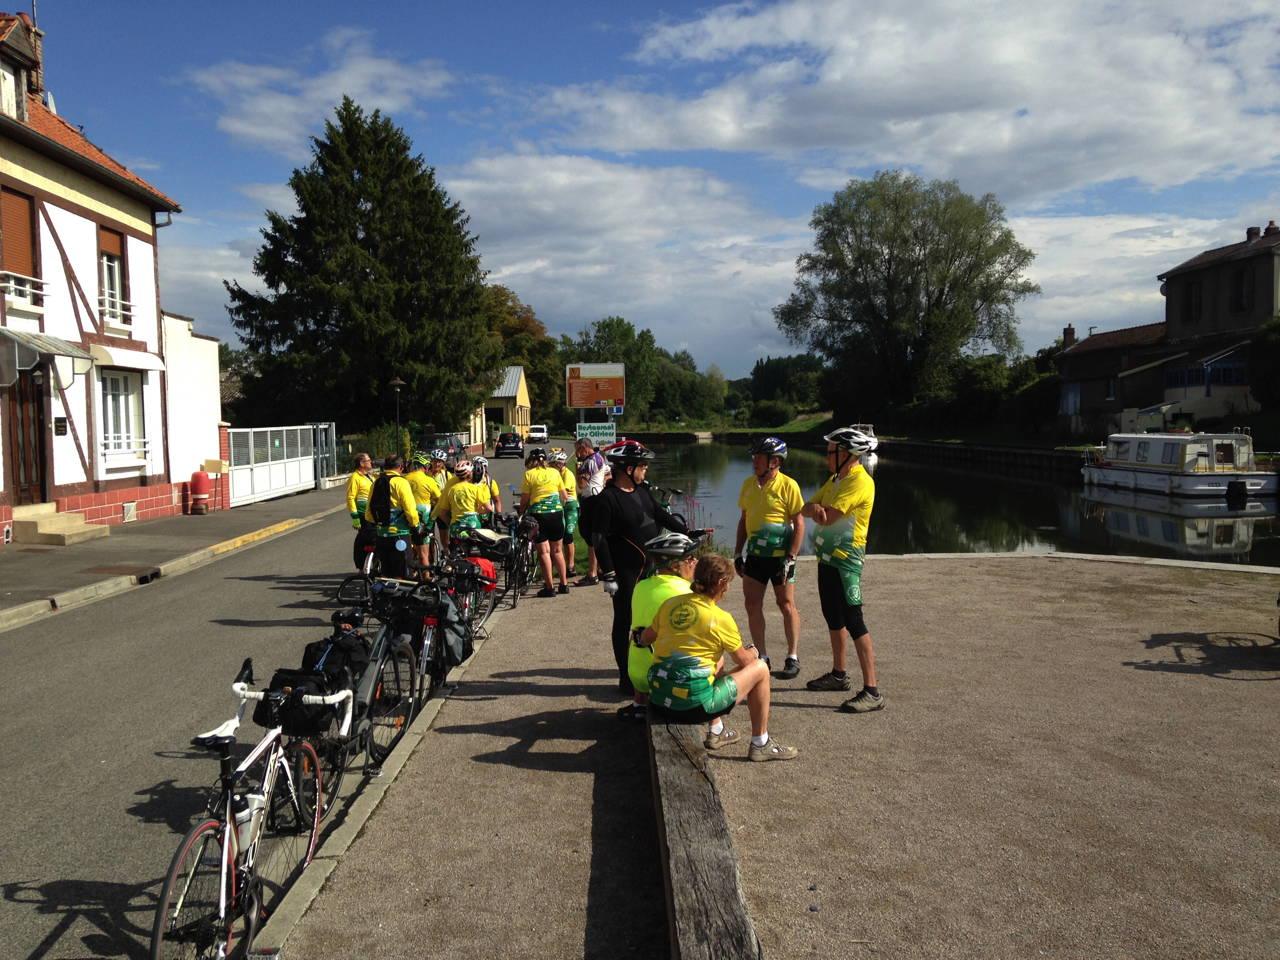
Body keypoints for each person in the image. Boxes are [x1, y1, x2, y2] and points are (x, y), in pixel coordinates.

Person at [640, 555, 797, 761]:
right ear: (721, 583)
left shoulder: (670, 604)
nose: (728, 589)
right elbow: (744, 662)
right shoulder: (721, 618)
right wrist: (754, 652)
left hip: (660, 699)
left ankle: (717, 730)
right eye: (728, 584)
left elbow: (645, 638)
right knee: (760, 669)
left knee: (715, 660)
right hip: (694, 707)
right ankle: (761, 743)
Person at [590, 440, 688, 696]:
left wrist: (687, 532)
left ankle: (645, 669)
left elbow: (659, 515)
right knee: (624, 621)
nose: (646, 470)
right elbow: (598, 538)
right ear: (627, 468)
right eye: (642, 465)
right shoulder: (608, 499)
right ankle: (625, 676)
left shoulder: (642, 491)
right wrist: (608, 574)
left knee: (647, 620)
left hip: (648, 568)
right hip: (624, 571)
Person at [801, 426, 883, 713]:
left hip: (847, 559)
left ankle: (872, 691)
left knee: (854, 619)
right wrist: (814, 510)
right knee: (832, 617)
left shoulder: (860, 482)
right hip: (827, 558)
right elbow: (808, 507)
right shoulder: (837, 478)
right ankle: (839, 675)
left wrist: (817, 511)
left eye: (830, 452)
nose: (826, 458)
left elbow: (826, 517)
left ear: (846, 454)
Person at [734, 437, 805, 678]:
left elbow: (799, 523)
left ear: (774, 461)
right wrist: (737, 553)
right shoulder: (747, 484)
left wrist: (791, 556)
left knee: (786, 604)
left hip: (780, 557)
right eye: (753, 457)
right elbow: (743, 521)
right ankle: (762, 656)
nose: (754, 461)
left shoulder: (789, 485)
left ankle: (792, 657)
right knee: (752, 604)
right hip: (755, 555)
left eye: (759, 457)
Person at [617, 531, 699, 721]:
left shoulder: (641, 586)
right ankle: (716, 727)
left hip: (637, 674)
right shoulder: (686, 593)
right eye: (690, 558)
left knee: (640, 633)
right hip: (665, 678)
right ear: (674, 565)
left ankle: (639, 702)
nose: (695, 562)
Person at [519, 447, 570, 597]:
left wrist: (521, 511)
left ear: (531, 461)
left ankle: (549, 588)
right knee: (558, 550)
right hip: (556, 514)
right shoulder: (554, 472)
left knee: (544, 552)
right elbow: (565, 496)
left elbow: (525, 499)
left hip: (539, 515)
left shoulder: (529, 474)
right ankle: (564, 584)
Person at [364, 454, 422, 580]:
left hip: (381, 535)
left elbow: (369, 512)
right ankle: (399, 598)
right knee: (401, 572)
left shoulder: (376, 482)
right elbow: (410, 510)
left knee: (386, 571)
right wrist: (415, 526)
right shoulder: (401, 482)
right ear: (401, 467)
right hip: (400, 535)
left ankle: (384, 597)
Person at [573, 436, 610, 585]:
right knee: (598, 536)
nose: (577, 454)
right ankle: (601, 570)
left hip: (591, 499)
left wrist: (577, 470)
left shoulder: (589, 462)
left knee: (590, 538)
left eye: (577, 450)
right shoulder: (599, 458)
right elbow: (609, 473)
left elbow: (581, 484)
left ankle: (592, 573)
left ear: (583, 448)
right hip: (598, 496)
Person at [433, 459, 492, 542]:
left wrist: (451, 524)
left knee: (455, 549)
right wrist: (478, 511)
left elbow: (442, 513)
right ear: (470, 473)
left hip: (456, 526)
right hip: (473, 524)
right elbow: (489, 508)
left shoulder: (451, 489)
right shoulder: (475, 488)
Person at [405, 451, 441, 568]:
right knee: (423, 554)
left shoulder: (404, 479)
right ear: (425, 466)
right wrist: (432, 519)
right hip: (423, 519)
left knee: (408, 548)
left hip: (405, 517)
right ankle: (426, 577)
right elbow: (439, 501)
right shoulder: (429, 480)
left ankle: (411, 573)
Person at [550, 449, 579, 575]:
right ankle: (560, 565)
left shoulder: (568, 474)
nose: (551, 467)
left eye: (553, 465)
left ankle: (571, 565)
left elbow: (563, 493)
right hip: (560, 505)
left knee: (568, 534)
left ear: (559, 464)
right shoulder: (556, 474)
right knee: (559, 535)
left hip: (570, 505)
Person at [346, 452, 376, 570]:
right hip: (363, 515)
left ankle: (371, 565)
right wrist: (355, 517)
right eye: (368, 460)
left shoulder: (369, 476)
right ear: (361, 463)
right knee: (367, 539)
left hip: (373, 515)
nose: (371, 462)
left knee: (368, 539)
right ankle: (363, 566)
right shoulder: (355, 477)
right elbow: (350, 497)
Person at [472, 456, 503, 525]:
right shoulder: (468, 481)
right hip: (472, 515)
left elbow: (496, 500)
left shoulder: (490, 482)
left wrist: (498, 514)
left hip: (487, 516)